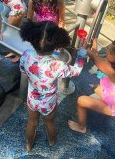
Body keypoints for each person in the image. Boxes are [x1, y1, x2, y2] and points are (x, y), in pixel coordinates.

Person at [19, 20, 88, 151]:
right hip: (48, 102)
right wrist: (82, 53)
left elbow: (23, 70)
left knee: (32, 122)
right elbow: (77, 71)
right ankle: (51, 141)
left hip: (32, 99)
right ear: (56, 45)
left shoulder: (26, 55)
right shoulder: (57, 66)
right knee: (49, 122)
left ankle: (29, 144)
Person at [68, 38, 115, 133]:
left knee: (81, 100)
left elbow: (95, 58)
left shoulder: (113, 71)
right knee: (95, 87)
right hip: (113, 97)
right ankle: (103, 98)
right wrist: (94, 44)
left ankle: (81, 127)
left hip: (113, 107)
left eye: (110, 51)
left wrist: (84, 48)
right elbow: (97, 57)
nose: (107, 51)